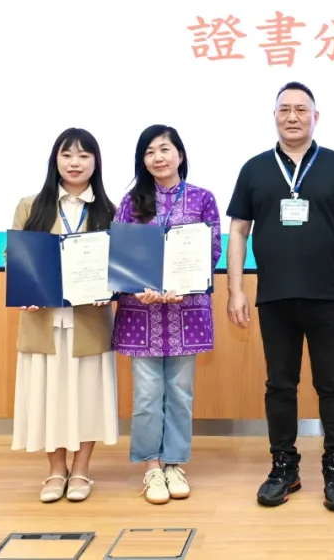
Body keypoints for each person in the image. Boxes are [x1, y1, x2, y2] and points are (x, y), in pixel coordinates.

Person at [225, 81, 334, 512]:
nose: (292, 116)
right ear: (274, 116)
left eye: (301, 109)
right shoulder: (254, 169)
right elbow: (238, 231)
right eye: (284, 109)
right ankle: (283, 468)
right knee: (279, 385)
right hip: (274, 297)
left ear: (315, 117)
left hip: (329, 296)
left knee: (333, 385)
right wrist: (235, 289)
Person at [112, 125, 222, 505]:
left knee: (180, 393)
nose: (158, 157)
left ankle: (174, 463)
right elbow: (121, 254)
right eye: (149, 152)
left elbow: (211, 250)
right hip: (140, 312)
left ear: (180, 155)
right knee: (146, 396)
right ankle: (151, 466)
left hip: (186, 311)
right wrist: (135, 287)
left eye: (164, 149)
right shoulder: (131, 202)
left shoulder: (203, 199)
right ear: (142, 161)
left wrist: (185, 284)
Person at [9, 127, 120, 503]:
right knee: (48, 398)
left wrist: (110, 289)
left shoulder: (109, 210)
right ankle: (56, 470)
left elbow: (118, 266)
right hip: (43, 322)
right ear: (55, 160)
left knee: (87, 398)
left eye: (84, 155)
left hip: (88, 323)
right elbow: (14, 256)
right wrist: (24, 288)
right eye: (67, 154)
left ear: (95, 162)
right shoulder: (30, 206)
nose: (75, 162)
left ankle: (82, 469)